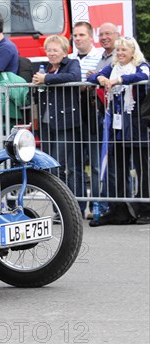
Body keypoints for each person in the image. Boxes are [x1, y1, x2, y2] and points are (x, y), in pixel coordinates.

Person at [87, 36, 150, 225]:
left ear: (133, 52)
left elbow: (145, 77)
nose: (121, 53)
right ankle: (121, 209)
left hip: (137, 124)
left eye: (125, 50)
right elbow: (90, 77)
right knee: (119, 167)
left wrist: (119, 80)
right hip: (117, 125)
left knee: (142, 168)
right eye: (118, 50)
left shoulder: (141, 65)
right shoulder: (113, 66)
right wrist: (100, 77)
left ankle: (146, 208)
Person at [33, 35, 85, 215]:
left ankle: (75, 207)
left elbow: (74, 77)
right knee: (54, 167)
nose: (51, 53)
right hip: (48, 123)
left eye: (55, 50)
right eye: (49, 50)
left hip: (66, 122)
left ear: (64, 51)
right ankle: (61, 210)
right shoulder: (46, 68)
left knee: (62, 165)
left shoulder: (72, 64)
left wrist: (46, 78)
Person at [69, 21, 106, 217]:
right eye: (75, 35)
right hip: (74, 116)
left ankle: (98, 206)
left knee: (96, 164)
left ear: (91, 37)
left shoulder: (100, 57)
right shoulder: (69, 58)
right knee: (75, 165)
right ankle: (77, 208)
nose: (78, 39)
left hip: (93, 115)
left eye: (82, 35)